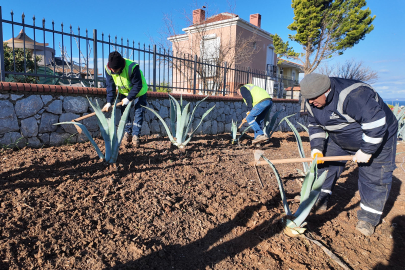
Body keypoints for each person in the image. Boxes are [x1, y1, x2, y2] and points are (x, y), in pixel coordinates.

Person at [301, 73, 398, 236]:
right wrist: (317, 148)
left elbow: (376, 125)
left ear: (327, 91)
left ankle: (368, 218)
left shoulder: (353, 95)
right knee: (326, 166)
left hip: (378, 135)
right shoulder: (312, 100)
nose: (310, 102)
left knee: (374, 175)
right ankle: (321, 199)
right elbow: (314, 125)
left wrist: (366, 150)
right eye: (308, 99)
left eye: (313, 98)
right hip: (340, 136)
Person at [103, 51, 148, 147]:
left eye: (116, 69)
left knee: (139, 112)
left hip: (139, 91)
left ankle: (136, 136)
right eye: (112, 69)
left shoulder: (132, 67)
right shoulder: (108, 69)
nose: (113, 71)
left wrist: (129, 98)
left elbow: (137, 85)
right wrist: (109, 102)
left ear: (121, 66)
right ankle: (127, 133)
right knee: (125, 113)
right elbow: (110, 86)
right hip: (124, 92)